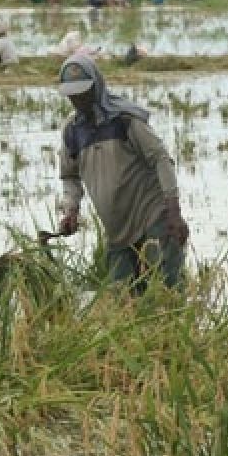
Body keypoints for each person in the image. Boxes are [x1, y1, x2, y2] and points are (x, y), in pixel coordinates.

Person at [55, 54, 189, 291]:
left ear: (96, 87)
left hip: (151, 217)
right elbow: (70, 176)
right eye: (72, 94)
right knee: (122, 300)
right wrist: (71, 211)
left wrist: (173, 212)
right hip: (116, 230)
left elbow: (161, 158)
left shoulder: (125, 120)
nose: (78, 99)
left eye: (83, 92)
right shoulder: (72, 131)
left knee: (169, 292)